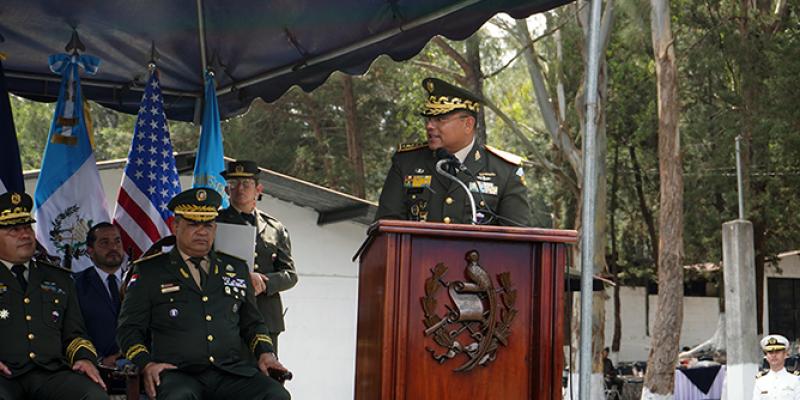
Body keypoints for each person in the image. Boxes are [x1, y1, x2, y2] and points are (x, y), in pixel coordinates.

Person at [117, 188, 290, 400]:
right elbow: (128, 329)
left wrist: (266, 354)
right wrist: (146, 364)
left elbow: (252, 323)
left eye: (208, 225)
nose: (202, 231)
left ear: (215, 228)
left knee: (275, 395)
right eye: (193, 224)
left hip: (231, 372)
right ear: (176, 226)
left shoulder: (236, 268)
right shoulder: (149, 271)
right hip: (178, 373)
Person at [375, 77, 530, 226]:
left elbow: (517, 239)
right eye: (428, 119)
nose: (429, 126)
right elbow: (386, 227)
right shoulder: (406, 162)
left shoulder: (505, 170)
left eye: (440, 119)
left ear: (468, 124)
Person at [0, 191, 108, 399]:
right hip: (4, 377)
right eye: (14, 230)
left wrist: (84, 358)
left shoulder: (58, 278)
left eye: (27, 227)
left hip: (50, 374)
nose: (25, 235)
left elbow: (75, 334)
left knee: (93, 395)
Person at [217, 160, 298, 355]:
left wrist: (264, 281)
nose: (240, 189)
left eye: (246, 184)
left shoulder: (275, 228)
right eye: (233, 184)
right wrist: (245, 278)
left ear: (258, 189)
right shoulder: (214, 224)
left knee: (267, 375)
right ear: (227, 191)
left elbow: (290, 275)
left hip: (266, 317)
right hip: (226, 313)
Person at [74, 222, 125, 368]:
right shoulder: (76, 285)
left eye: (117, 241)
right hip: (95, 368)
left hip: (142, 364)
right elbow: (73, 331)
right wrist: (99, 360)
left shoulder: (139, 280)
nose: (113, 247)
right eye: (104, 243)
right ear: (90, 250)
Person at [753, 334, 800, 400]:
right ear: (766, 356)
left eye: (777, 351)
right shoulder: (760, 381)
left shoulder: (795, 380)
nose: (774, 355)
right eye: (770, 352)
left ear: (785, 354)